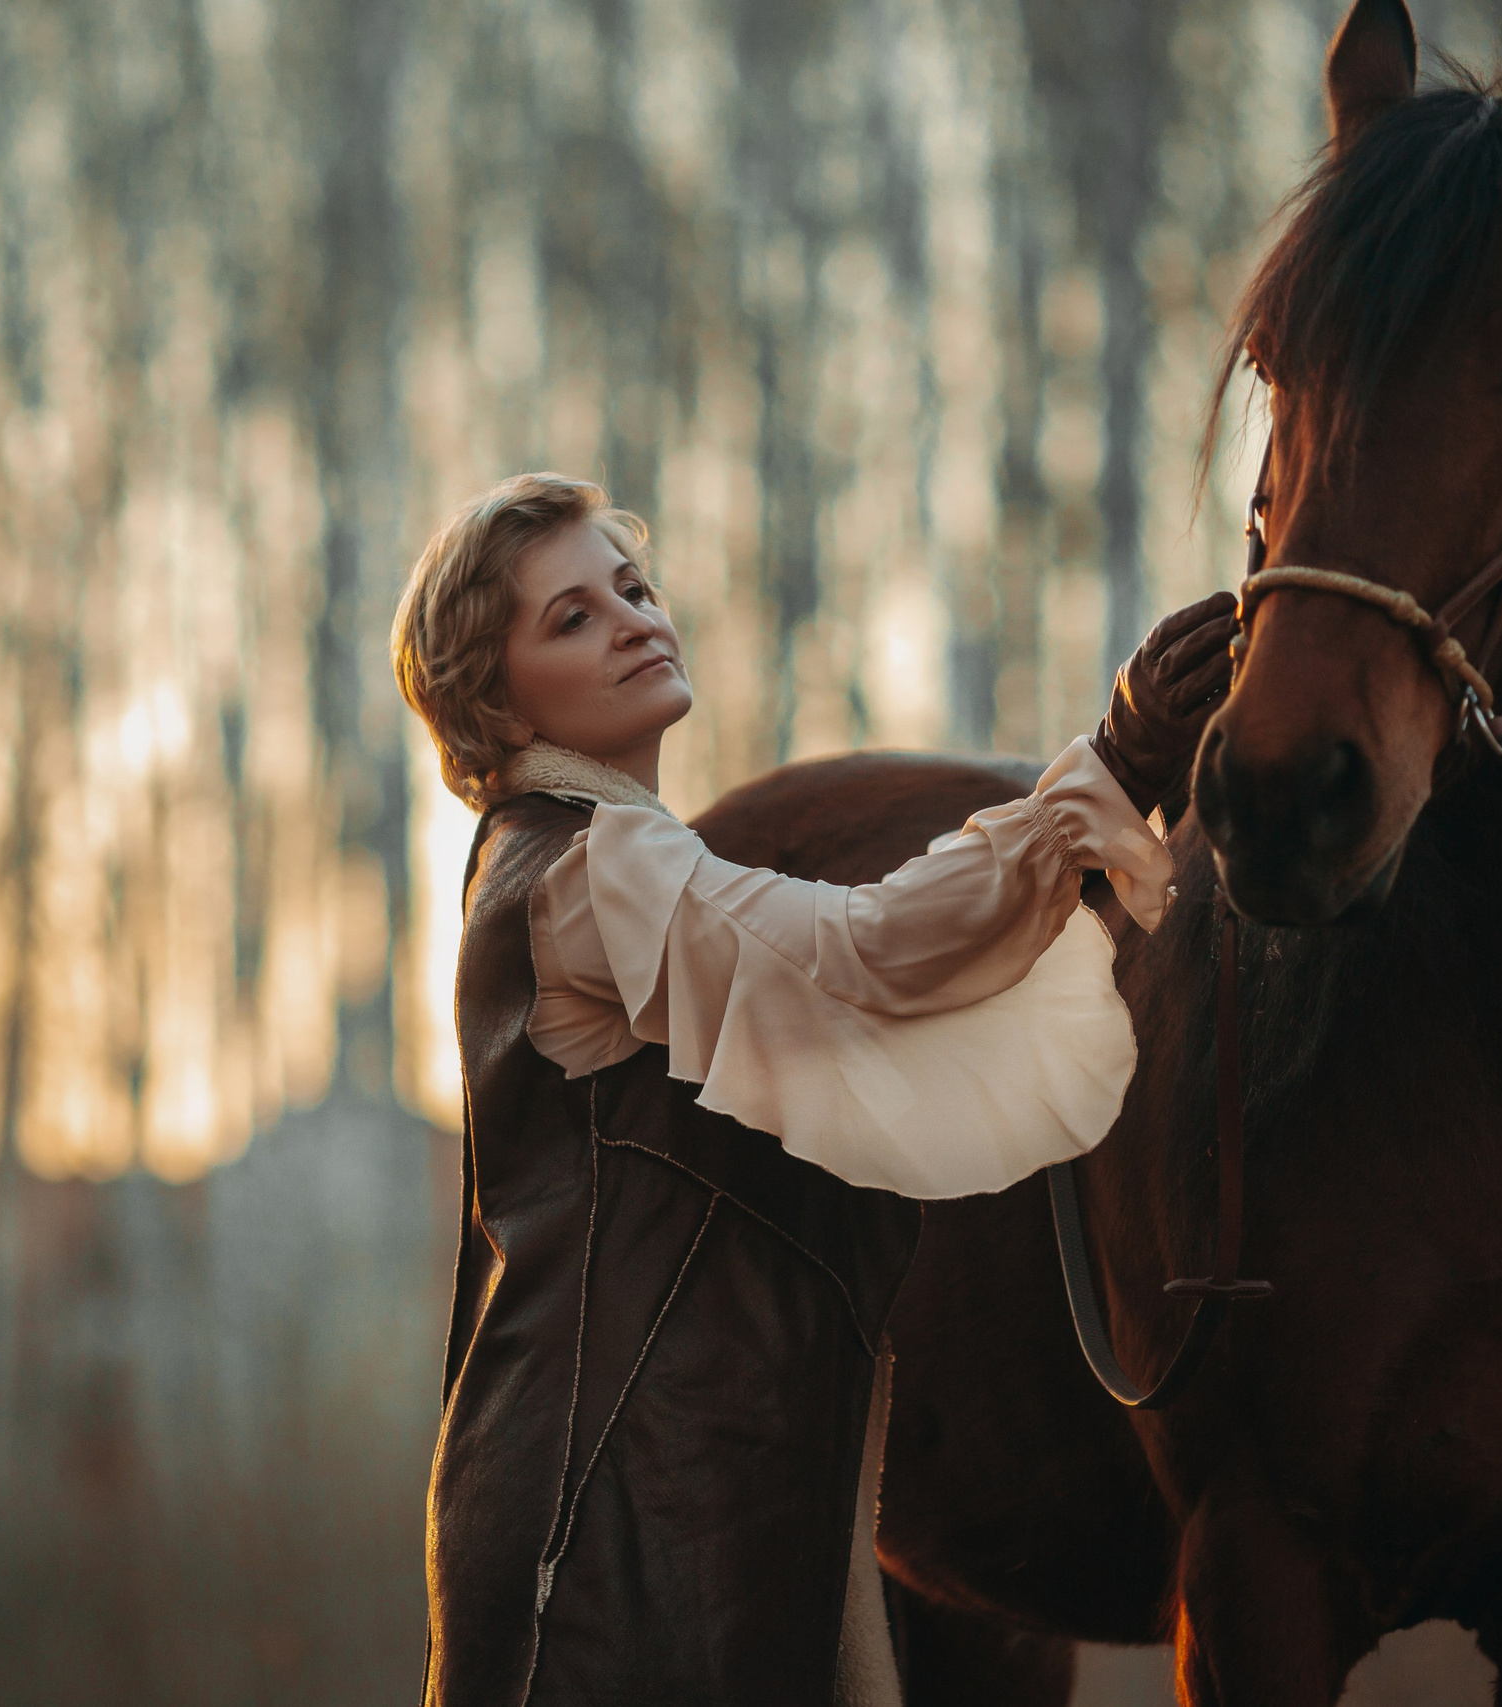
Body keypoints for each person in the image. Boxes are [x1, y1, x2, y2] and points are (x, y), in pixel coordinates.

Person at [393, 472, 1231, 1707]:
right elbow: (862, 955)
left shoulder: (596, 864)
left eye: (633, 588)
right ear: (493, 702)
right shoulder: (594, 873)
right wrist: (1110, 767)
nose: (633, 619)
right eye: (569, 617)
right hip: (615, 1510)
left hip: (655, 1493)